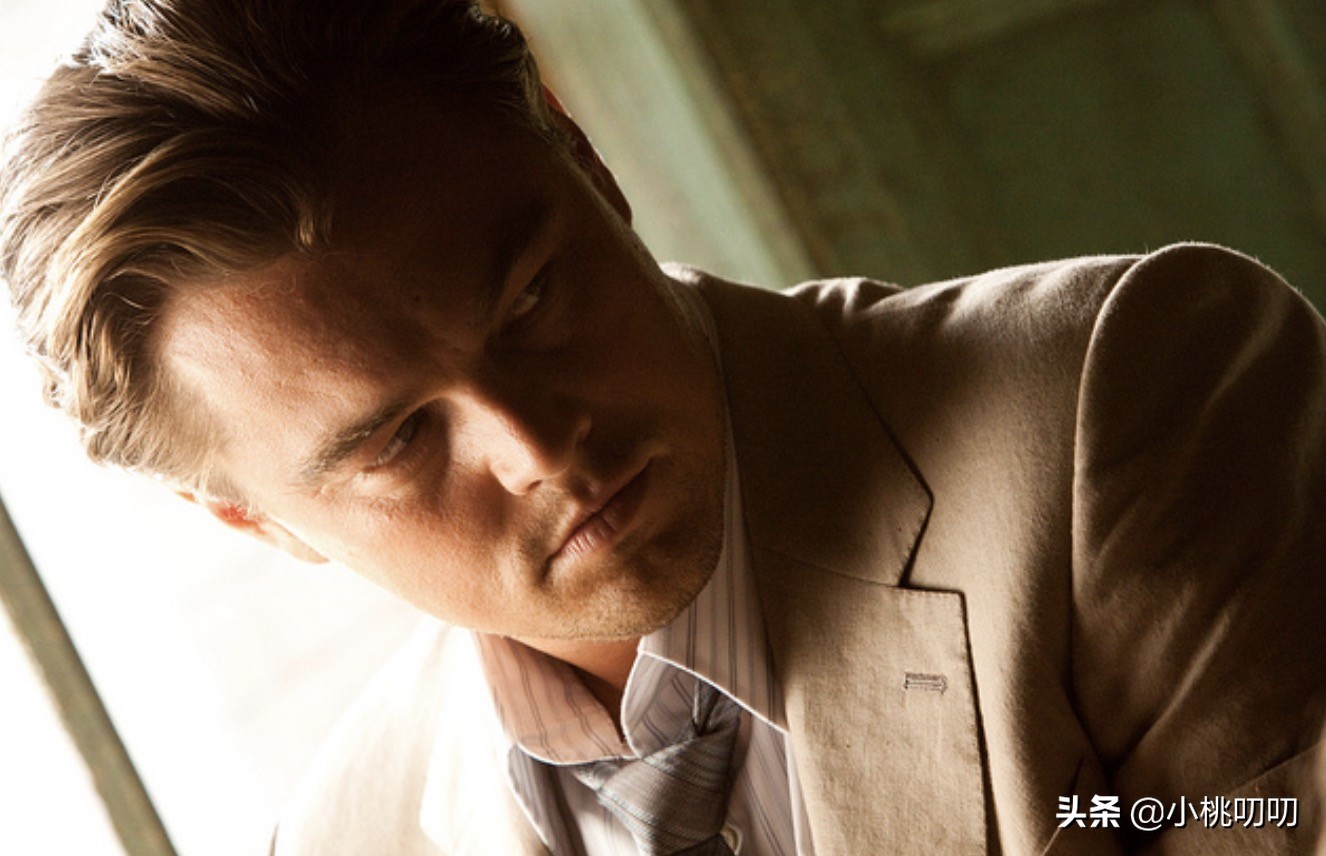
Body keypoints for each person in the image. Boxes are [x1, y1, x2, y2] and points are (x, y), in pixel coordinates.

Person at [2, 1, 1323, 853]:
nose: (536, 443)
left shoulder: (1121, 397)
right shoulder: (351, 836)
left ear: (590, 169)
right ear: (250, 519)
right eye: (396, 441)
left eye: (532, 297)